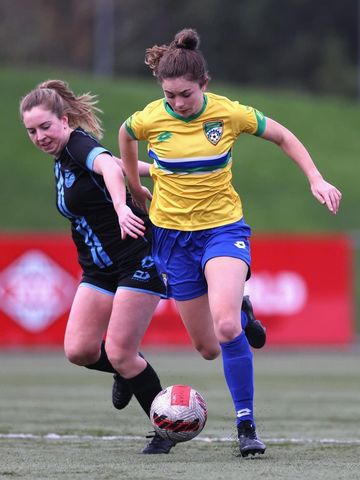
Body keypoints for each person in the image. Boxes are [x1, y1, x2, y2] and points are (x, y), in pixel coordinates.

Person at [118, 28, 342, 457]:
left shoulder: (229, 114)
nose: (177, 104)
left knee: (225, 329)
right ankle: (241, 303)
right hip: (171, 238)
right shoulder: (150, 117)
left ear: (204, 85)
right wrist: (135, 186)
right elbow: (126, 137)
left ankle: (246, 425)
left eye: (185, 94)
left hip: (223, 230)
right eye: (169, 95)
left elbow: (282, 136)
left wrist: (316, 177)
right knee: (205, 349)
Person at [19, 79, 174, 454]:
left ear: (65, 120)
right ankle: (128, 369)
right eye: (31, 131)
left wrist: (123, 206)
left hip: (136, 257)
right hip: (98, 270)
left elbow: (107, 165)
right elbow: (116, 163)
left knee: (121, 351)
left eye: (45, 127)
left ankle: (166, 429)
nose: (39, 136)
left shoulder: (76, 143)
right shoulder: (64, 156)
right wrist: (152, 172)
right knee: (80, 350)